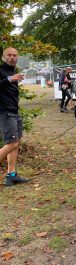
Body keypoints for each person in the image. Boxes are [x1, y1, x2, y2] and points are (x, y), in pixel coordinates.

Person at [0, 47, 28, 186]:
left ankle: (11, 175)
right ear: (4, 57)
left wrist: (12, 77)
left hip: (14, 112)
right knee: (12, 143)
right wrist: (10, 79)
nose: (12, 57)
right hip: (5, 113)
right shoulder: (1, 71)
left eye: (15, 55)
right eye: (9, 55)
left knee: (15, 143)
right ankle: (10, 175)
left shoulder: (12, 72)